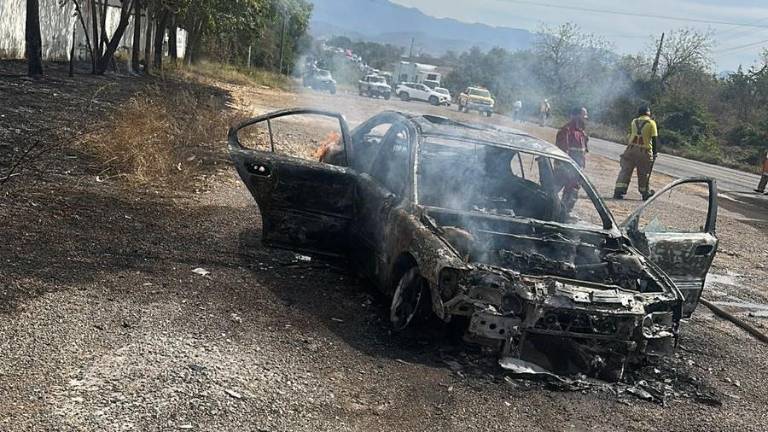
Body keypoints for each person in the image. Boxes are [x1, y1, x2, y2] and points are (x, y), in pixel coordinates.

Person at [613, 106, 659, 200]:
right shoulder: (651, 123)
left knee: (625, 170)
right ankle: (645, 193)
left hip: (630, 149)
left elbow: (630, 134)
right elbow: (654, 139)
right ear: (648, 112)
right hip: (644, 151)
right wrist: (655, 153)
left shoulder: (634, 121)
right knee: (643, 172)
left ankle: (618, 191)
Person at [555, 107, 589, 216]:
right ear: (576, 116)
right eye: (584, 116)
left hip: (576, 169)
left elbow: (583, 151)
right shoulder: (566, 131)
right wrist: (564, 167)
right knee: (552, 190)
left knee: (572, 192)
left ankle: (564, 213)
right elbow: (562, 150)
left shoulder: (582, 132)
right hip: (565, 168)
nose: (585, 118)